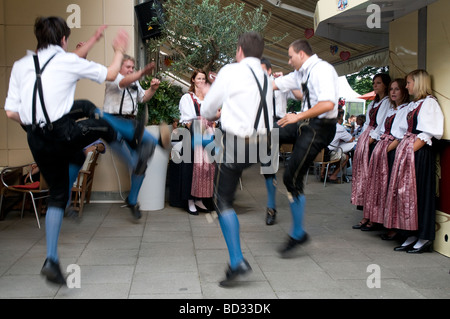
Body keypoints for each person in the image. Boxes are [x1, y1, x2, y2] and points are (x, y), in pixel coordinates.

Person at [3, 16, 152, 285]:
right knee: (102, 126)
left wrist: (37, 127)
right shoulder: (66, 61)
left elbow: (11, 111)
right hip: (62, 131)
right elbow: (109, 74)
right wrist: (118, 51)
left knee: (64, 181)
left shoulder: (22, 65)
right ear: (63, 40)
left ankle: (51, 260)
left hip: (36, 139)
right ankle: (135, 155)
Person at [201, 32, 273, 286]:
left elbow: (207, 109)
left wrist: (217, 109)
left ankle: (237, 261)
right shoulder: (265, 75)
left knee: (222, 201)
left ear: (240, 50)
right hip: (260, 145)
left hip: (236, 144)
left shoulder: (231, 71)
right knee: (227, 195)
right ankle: (236, 260)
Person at [274, 39, 339, 257]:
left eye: (290, 56)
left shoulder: (323, 70)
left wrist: (298, 116)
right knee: (270, 130)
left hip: (319, 127)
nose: (289, 60)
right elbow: (275, 84)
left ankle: (298, 233)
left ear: (302, 54)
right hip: (305, 123)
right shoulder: (301, 73)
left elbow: (328, 104)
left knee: (291, 177)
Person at [102, 54, 170, 219]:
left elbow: (142, 97)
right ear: (120, 67)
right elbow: (123, 83)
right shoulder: (113, 77)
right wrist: (142, 72)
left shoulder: (135, 82)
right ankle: (160, 142)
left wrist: (152, 89)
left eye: (133, 68)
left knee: (142, 163)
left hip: (131, 123)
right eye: (128, 67)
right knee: (134, 161)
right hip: (114, 123)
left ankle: (132, 200)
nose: (131, 70)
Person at [385, 70, 444, 253]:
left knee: (420, 193)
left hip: (419, 154)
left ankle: (424, 236)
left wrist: (410, 150)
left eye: (409, 82)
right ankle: (410, 232)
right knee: (407, 195)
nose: (407, 86)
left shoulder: (429, 103)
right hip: (409, 153)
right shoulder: (414, 104)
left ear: (418, 83)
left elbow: (429, 132)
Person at [363, 78, 410, 239]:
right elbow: (382, 128)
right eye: (391, 89)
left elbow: (400, 134)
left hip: (392, 149)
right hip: (384, 146)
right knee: (380, 186)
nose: (393, 92)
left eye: (397, 89)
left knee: (392, 188)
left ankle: (393, 226)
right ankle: (380, 219)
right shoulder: (392, 110)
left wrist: (383, 149)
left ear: (404, 91)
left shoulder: (405, 109)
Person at [260, 57, 301, 225]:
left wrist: (288, 82)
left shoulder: (280, 82)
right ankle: (271, 208)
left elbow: (300, 97)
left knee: (301, 129)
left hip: (283, 123)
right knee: (268, 166)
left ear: (269, 70)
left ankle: (296, 167)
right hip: (266, 128)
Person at [351, 73, 391, 230]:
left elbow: (380, 125)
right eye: (374, 83)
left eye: (378, 83)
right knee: (365, 179)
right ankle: (367, 215)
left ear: (385, 85)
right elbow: (368, 122)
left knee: (372, 180)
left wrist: (370, 140)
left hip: (374, 141)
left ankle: (373, 217)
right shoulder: (373, 103)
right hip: (367, 138)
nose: (375, 85)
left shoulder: (386, 102)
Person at [178, 69, 216, 215]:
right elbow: (187, 121)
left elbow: (215, 117)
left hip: (208, 135)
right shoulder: (187, 98)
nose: (201, 81)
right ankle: (190, 201)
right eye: (198, 78)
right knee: (191, 170)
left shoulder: (209, 98)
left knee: (206, 170)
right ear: (193, 80)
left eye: (203, 79)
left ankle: (200, 199)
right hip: (193, 136)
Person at [325, 109, 356, 182]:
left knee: (337, 151)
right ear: (341, 117)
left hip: (319, 152)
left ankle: (325, 173)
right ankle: (333, 175)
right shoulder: (339, 128)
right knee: (346, 156)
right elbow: (350, 139)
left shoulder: (325, 126)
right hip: (329, 154)